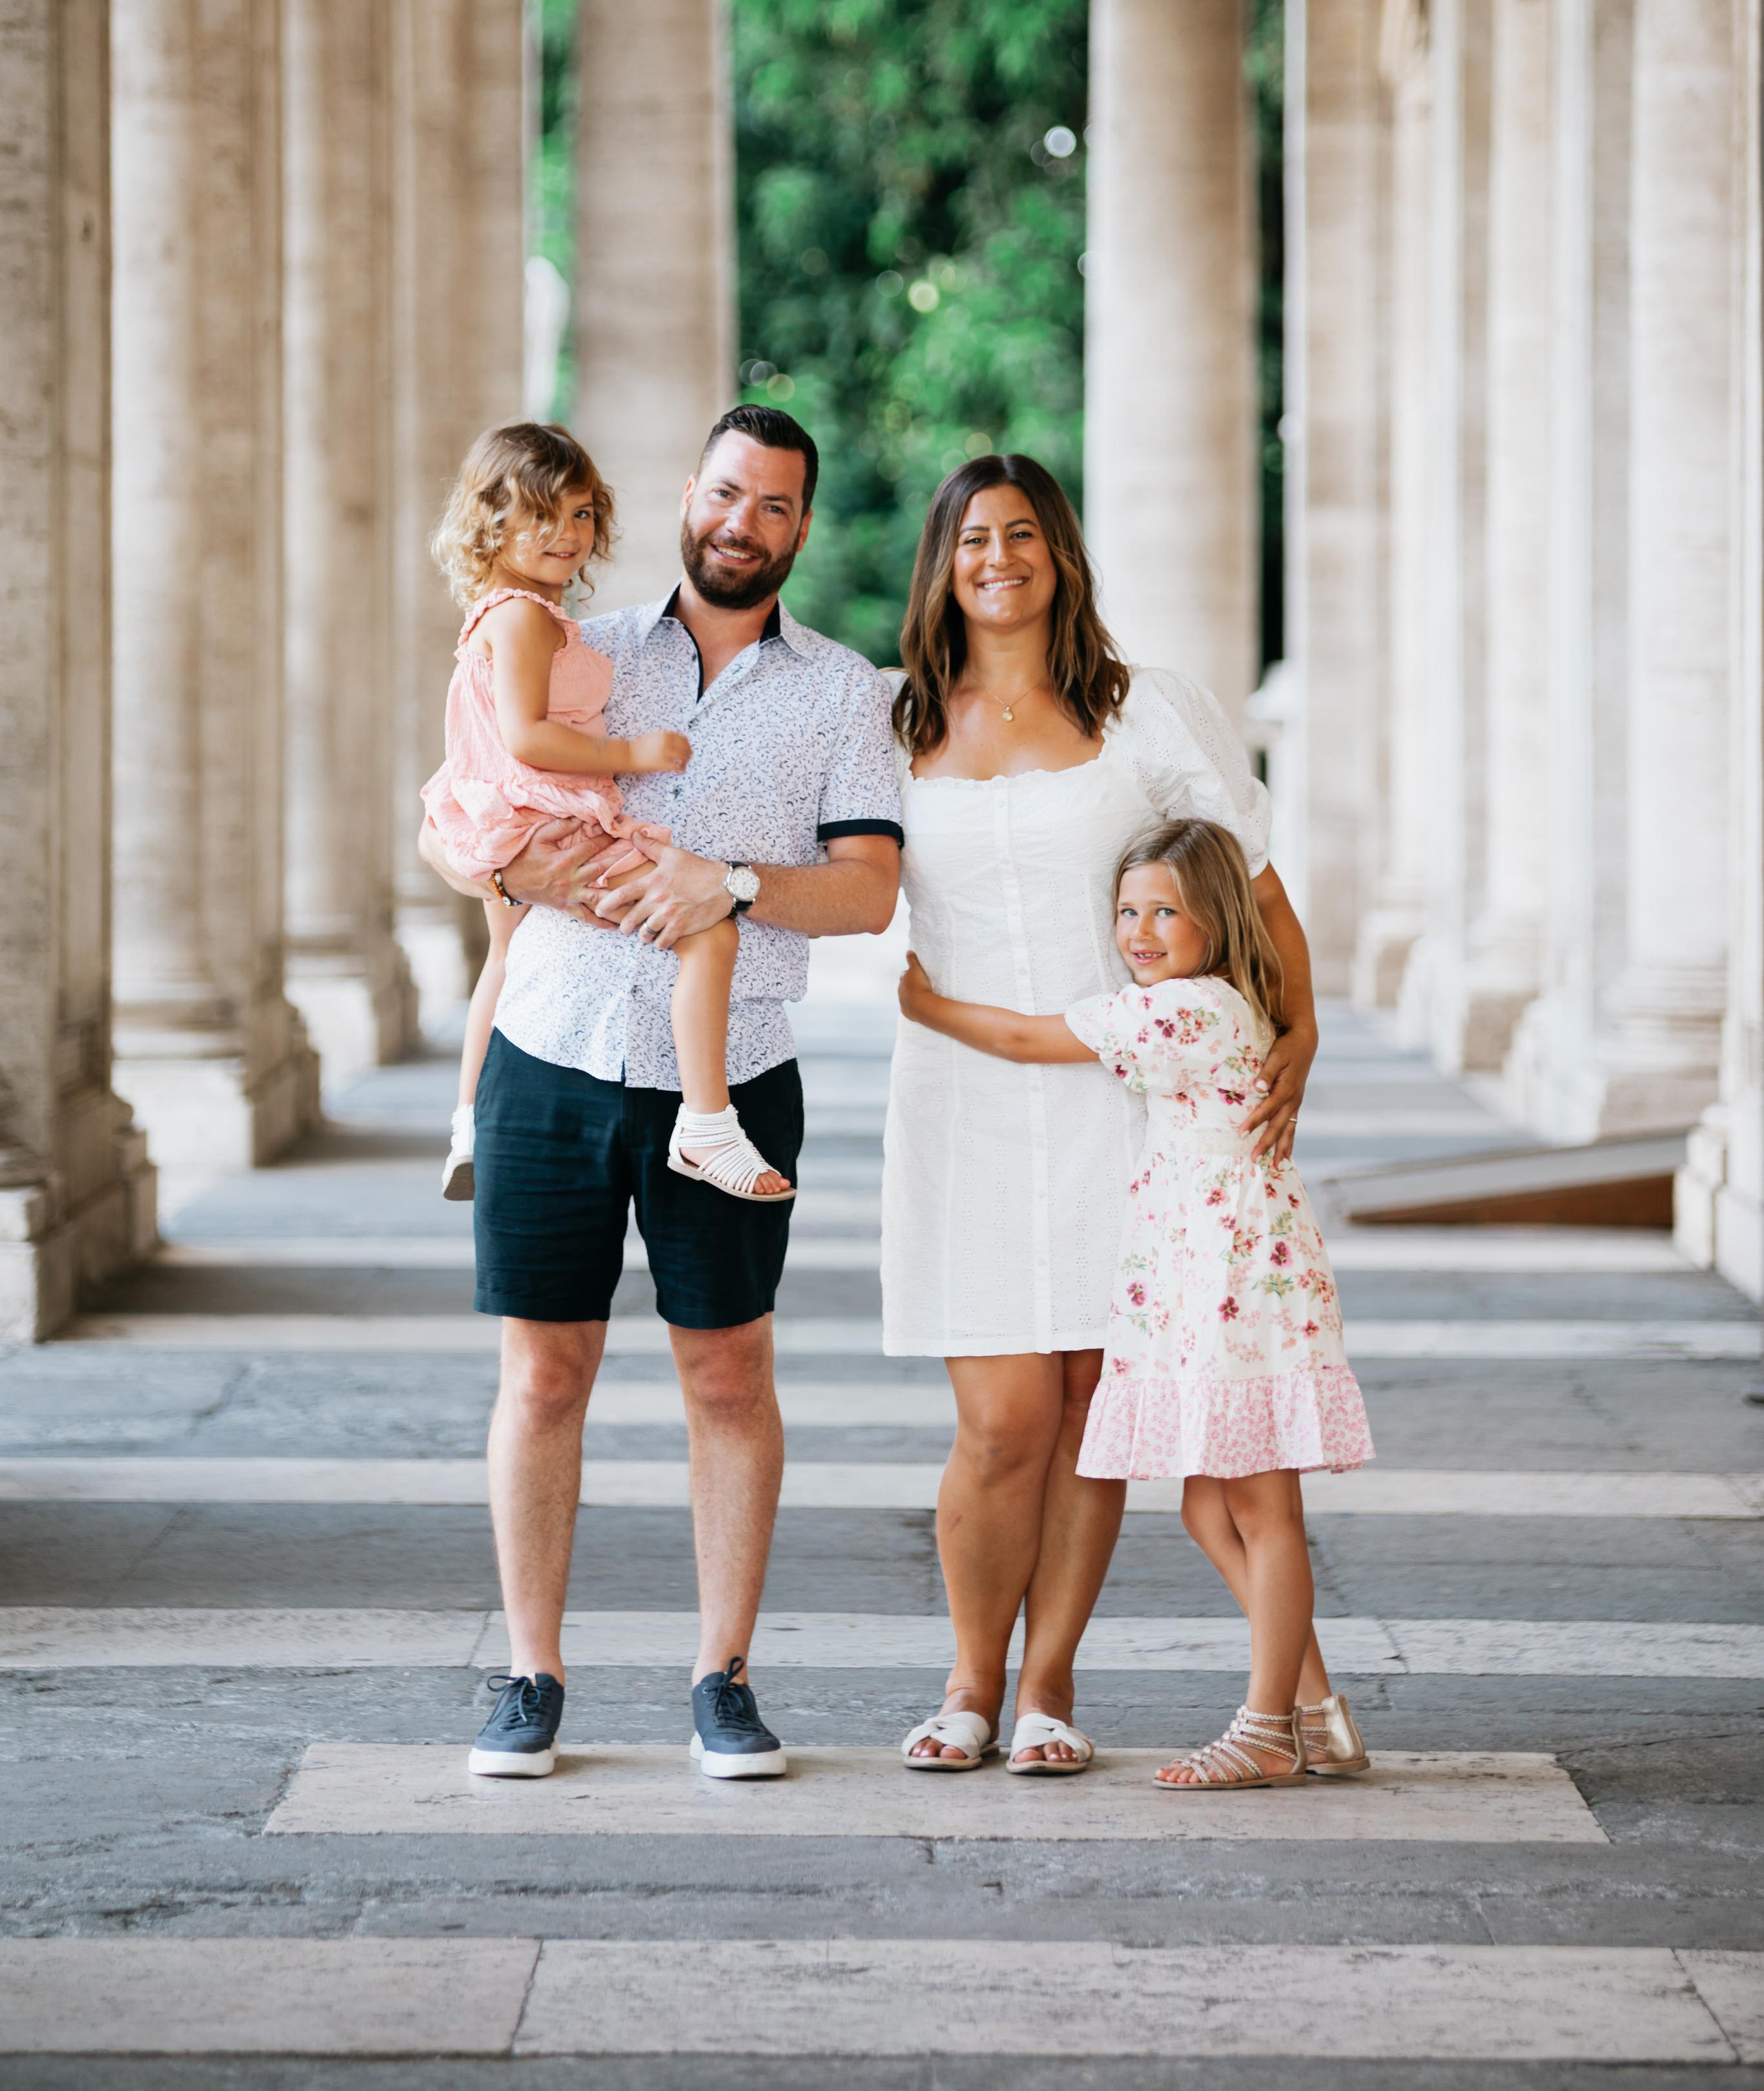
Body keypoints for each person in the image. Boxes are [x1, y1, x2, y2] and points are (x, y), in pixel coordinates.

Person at [418, 406, 902, 1782]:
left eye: (774, 505)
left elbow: (867, 892)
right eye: (726, 494)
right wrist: (518, 867)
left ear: (800, 526)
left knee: (729, 1375)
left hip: (731, 1070)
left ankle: (721, 1677)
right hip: (551, 1047)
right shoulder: (576, 643)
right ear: (690, 497)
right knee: (542, 1373)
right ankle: (530, 1674)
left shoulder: (843, 693)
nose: (743, 523)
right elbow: (454, 811)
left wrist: (728, 885)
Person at [881, 455, 1320, 1779]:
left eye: (1024, 534)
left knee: (1087, 1408)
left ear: (1061, 555)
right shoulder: (896, 724)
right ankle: (968, 1682)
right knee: (1000, 1418)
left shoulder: (1141, 711)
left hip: (1126, 1108)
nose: (999, 558)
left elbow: (1253, 883)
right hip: (961, 1100)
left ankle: (1048, 1691)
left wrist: (1299, 1031)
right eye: (973, 539)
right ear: (942, 566)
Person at [900, 817, 1373, 1788]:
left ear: (1218, 920)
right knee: (1211, 1510)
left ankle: (1267, 1729)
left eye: (1166, 912)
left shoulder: (1183, 1011)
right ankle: (1319, 1715)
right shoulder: (1228, 1001)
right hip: (1221, 1272)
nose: (1140, 932)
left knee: (1261, 1509)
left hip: (1232, 1283)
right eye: (1126, 911)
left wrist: (924, 1004)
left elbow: (1025, 1040)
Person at [424, 422, 792, 1205]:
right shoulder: (524, 618)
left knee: (505, 958)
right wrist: (634, 753)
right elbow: (526, 736)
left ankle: (468, 1123)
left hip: (506, 816)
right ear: (492, 519)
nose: (568, 533)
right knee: (710, 931)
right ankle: (706, 1124)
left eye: (583, 513)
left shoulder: (505, 615)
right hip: (549, 817)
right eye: (541, 514)